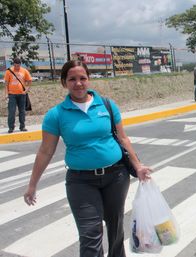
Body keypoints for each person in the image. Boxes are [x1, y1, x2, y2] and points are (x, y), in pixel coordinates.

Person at [23, 60, 152, 257]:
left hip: (116, 175)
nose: (78, 83)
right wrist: (32, 184)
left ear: (89, 80)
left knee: (115, 226)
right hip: (80, 181)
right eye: (72, 79)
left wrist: (138, 166)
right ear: (64, 83)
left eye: (83, 78)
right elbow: (45, 151)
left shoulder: (107, 105)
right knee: (90, 233)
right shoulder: (56, 114)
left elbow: (123, 138)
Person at [3, 57, 32, 133]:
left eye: (18, 66)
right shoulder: (9, 71)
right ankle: (11, 127)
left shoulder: (24, 71)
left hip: (22, 95)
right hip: (12, 94)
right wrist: (6, 94)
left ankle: (22, 127)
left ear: (20, 65)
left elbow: (29, 81)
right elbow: (6, 84)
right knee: (12, 111)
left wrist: (26, 90)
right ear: (13, 64)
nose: (17, 67)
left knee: (22, 111)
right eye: (15, 66)